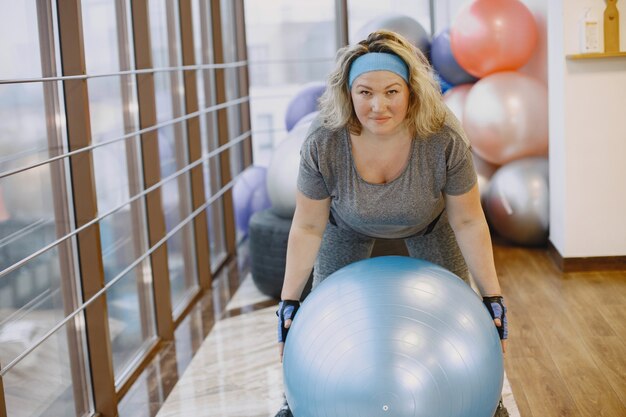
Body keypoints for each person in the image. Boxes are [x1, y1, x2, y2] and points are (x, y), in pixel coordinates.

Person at [274, 30, 509, 417]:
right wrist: (288, 304)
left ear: (411, 92)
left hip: (431, 226)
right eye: (365, 92)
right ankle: (295, 401)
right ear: (348, 94)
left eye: (392, 92)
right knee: (326, 326)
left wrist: (493, 298)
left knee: (458, 321)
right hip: (345, 227)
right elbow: (308, 227)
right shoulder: (324, 140)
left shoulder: (443, 137)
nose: (378, 105)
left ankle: (486, 398)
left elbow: (467, 220)